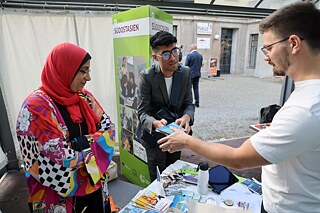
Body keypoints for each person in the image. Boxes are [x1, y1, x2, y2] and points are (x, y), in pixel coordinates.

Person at [158, 2, 320, 212]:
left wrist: (187, 141)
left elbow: (238, 159)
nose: (265, 56)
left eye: (269, 48)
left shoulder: (305, 108)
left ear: (294, 43)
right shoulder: (308, 95)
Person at [16, 43, 115, 213]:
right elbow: (60, 158)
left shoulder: (85, 97)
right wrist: (95, 151)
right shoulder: (36, 106)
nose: (88, 77)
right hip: (57, 197)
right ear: (65, 68)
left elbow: (110, 132)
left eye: (88, 71)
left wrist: (80, 143)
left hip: (93, 189)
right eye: (83, 71)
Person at [137, 31, 195, 181]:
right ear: (155, 57)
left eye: (175, 51)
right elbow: (142, 112)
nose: (173, 57)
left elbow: (189, 103)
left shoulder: (185, 73)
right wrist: (155, 123)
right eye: (166, 54)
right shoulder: (147, 76)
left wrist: (186, 117)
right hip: (154, 137)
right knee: (157, 178)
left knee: (174, 173)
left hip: (176, 133)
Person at [185, 43, 203, 107]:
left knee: (189, 88)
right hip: (197, 74)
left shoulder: (189, 55)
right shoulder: (200, 55)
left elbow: (186, 65)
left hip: (190, 74)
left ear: (192, 48)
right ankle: (197, 102)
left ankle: (189, 102)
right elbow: (200, 65)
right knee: (196, 88)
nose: (189, 48)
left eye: (190, 47)